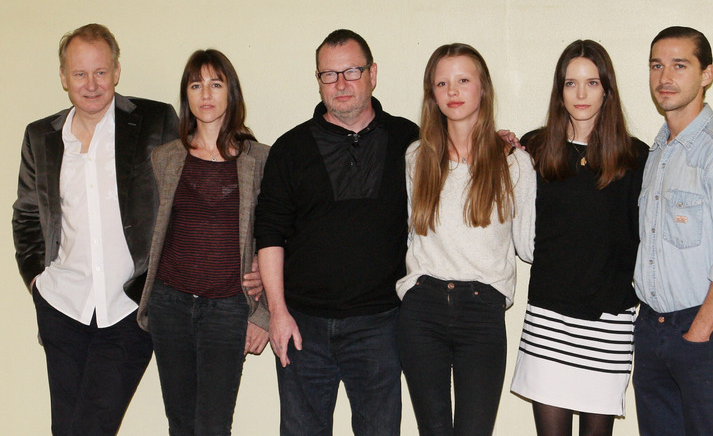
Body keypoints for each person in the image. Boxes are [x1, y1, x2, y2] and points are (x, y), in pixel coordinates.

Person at [10, 24, 178, 435]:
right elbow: (27, 215)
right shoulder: (40, 137)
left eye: (100, 72)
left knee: (90, 428)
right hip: (62, 306)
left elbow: (185, 202)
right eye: (80, 74)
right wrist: (37, 282)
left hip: (129, 307)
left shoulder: (155, 122)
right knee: (66, 429)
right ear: (64, 78)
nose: (91, 84)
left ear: (117, 71)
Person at [254, 29, 419, 436]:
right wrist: (277, 313)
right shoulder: (289, 149)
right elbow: (270, 233)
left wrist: (501, 144)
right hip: (302, 325)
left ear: (373, 73)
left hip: (381, 324)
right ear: (318, 80)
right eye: (329, 75)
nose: (341, 84)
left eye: (351, 71)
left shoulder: (410, 140)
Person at [510, 40, 648, 436]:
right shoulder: (534, 147)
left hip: (608, 322)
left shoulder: (635, 156)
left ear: (607, 89)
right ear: (560, 91)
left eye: (592, 83)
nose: (582, 94)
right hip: (550, 319)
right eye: (571, 84)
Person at [396, 43, 535, 436]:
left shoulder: (514, 162)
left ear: (483, 88)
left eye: (463, 80)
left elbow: (528, 245)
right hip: (422, 311)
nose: (452, 91)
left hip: (482, 311)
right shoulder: (416, 157)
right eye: (442, 83)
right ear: (432, 93)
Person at [632, 26, 713, 436]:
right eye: (657, 65)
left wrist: (698, 333)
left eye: (679, 65)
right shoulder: (659, 150)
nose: (664, 77)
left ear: (706, 74)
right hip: (651, 330)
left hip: (701, 334)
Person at [135, 49, 270, 435]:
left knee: (213, 425)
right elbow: (146, 230)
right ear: (186, 95)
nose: (205, 93)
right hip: (169, 304)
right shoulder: (164, 158)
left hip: (227, 309)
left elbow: (281, 240)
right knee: (180, 424)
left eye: (215, 83)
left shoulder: (260, 159)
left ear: (232, 92)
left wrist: (264, 314)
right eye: (196, 85)